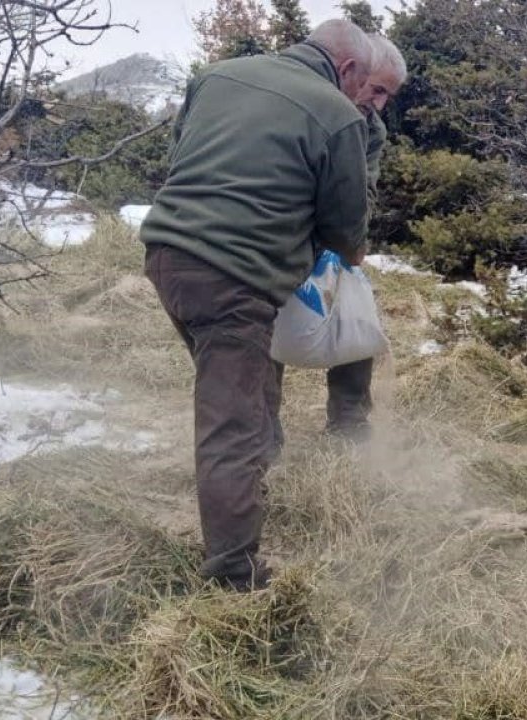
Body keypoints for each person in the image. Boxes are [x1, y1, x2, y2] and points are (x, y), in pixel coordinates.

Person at [140, 19, 374, 592]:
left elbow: (181, 159)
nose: (360, 97)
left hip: (166, 254)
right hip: (234, 277)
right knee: (232, 425)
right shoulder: (336, 112)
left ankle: (253, 487)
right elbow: (344, 230)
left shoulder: (216, 75)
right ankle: (232, 575)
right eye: (361, 84)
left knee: (244, 391)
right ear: (346, 69)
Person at [315, 33, 409, 441]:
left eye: (388, 95)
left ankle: (349, 420)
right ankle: (262, 426)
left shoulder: (372, 129)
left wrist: (348, 243)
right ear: (353, 73)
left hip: (335, 229)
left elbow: (363, 191)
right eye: (376, 90)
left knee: (356, 312)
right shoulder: (311, 105)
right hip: (282, 228)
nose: (379, 104)